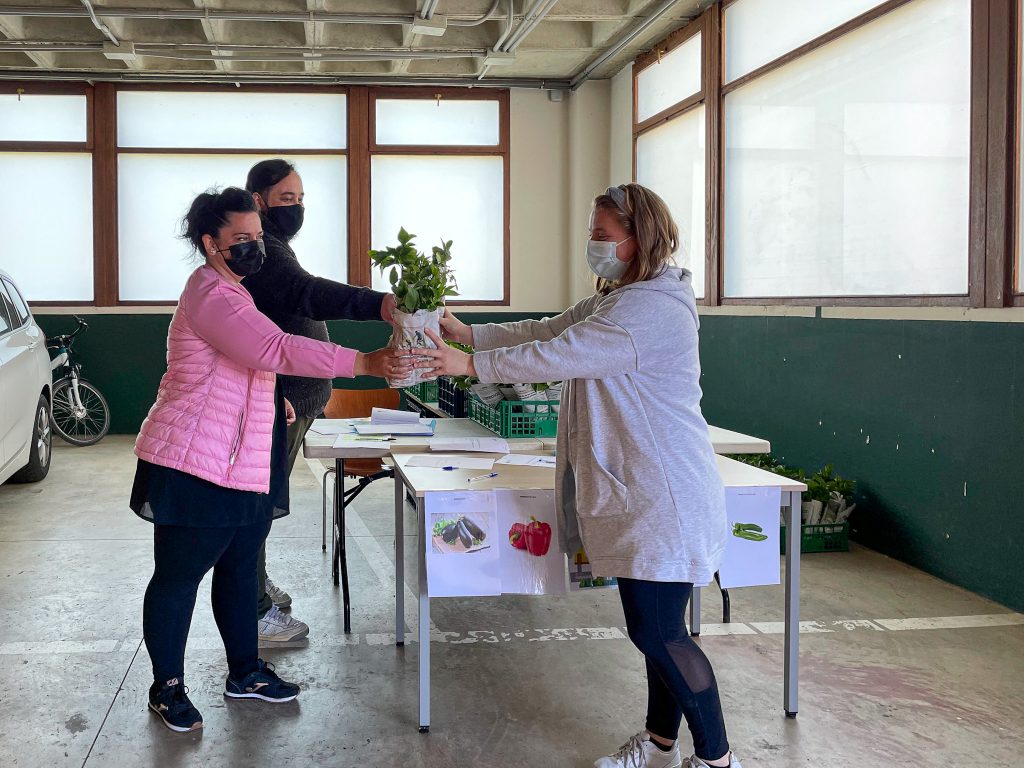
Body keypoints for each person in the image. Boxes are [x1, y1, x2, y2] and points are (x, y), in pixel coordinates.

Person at [410, 184, 741, 768]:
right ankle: (662, 743)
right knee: (655, 631)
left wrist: (471, 364)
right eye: (592, 230)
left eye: (601, 233)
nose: (592, 242)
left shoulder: (650, 309)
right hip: (642, 490)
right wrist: (471, 335)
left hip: (662, 495)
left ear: (639, 237)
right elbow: (550, 329)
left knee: (660, 633)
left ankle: (716, 759)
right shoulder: (623, 295)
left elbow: (558, 357)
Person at [131, 187, 410, 733]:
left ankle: (246, 673)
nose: (254, 248)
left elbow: (248, 364)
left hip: (244, 455)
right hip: (195, 459)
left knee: (239, 568)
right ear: (211, 244)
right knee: (179, 574)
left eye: (258, 237)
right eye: (241, 240)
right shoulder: (212, 293)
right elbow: (271, 347)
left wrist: (268, 394)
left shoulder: (236, 289)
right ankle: (167, 687)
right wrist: (365, 360)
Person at [241, 159, 398, 643]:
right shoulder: (262, 251)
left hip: (293, 398)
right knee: (260, 503)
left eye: (301, 199)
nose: (297, 207)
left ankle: (252, 585)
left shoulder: (274, 246)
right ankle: (253, 608)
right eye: (286, 198)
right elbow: (305, 294)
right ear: (258, 201)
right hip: (280, 400)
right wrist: (376, 304)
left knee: (264, 502)